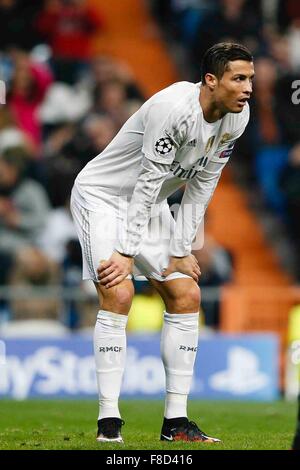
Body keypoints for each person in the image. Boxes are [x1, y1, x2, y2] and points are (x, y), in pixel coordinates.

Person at [70, 42, 254, 443]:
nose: (248, 88)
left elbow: (202, 185)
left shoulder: (236, 119)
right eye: (239, 79)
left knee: (187, 294)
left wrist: (181, 249)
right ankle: (108, 423)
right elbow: (149, 180)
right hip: (103, 197)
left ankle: (175, 423)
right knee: (118, 292)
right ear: (211, 81)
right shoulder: (173, 109)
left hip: (148, 205)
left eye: (250, 79)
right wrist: (126, 251)